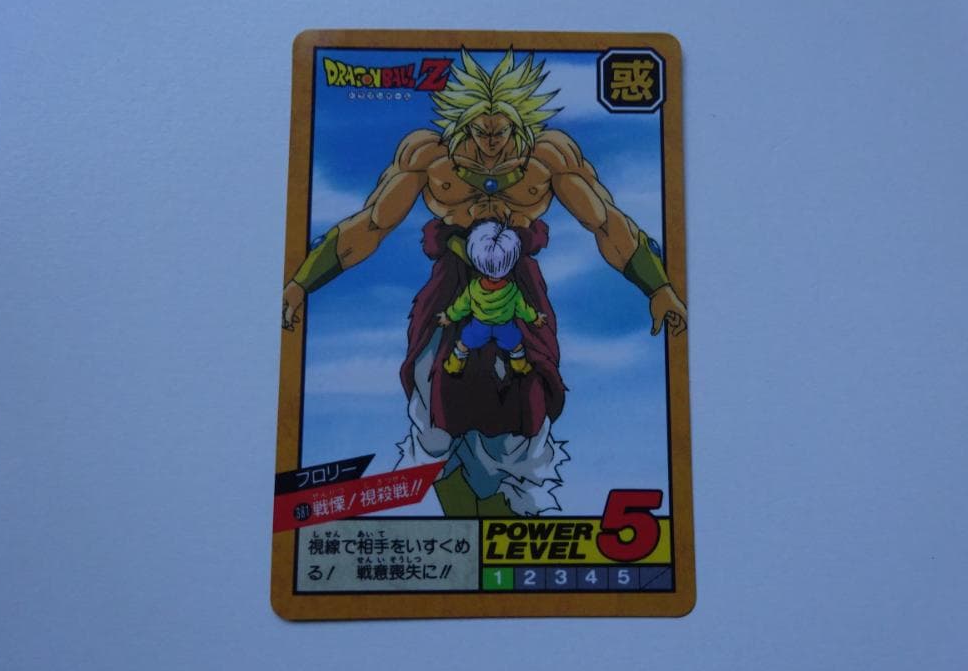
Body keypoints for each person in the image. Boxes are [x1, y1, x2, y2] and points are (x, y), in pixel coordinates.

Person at [282, 47, 686, 516]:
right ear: (464, 125)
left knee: (528, 396)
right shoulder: (429, 159)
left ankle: (513, 510)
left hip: (519, 288)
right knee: (431, 390)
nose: (492, 143)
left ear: (519, 125)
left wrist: (657, 287)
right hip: (452, 287)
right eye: (481, 131)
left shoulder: (549, 159)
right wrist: (303, 283)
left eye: (502, 132)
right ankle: (455, 509)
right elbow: (370, 225)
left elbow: (606, 223)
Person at [437, 220, 547, 376]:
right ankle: (521, 367)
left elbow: (461, 306)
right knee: (516, 346)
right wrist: (535, 318)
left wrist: (448, 316)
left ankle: (454, 366)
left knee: (462, 344)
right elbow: (523, 309)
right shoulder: (512, 290)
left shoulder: (474, 288)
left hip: (479, 327)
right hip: (505, 327)